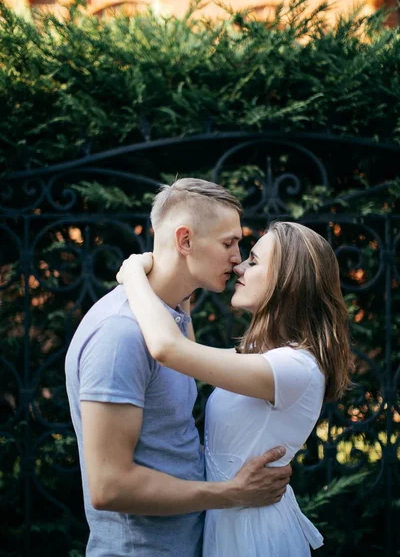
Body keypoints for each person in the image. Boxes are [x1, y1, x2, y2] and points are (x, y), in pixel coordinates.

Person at [65, 178, 292, 557]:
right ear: (185, 241)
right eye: (228, 243)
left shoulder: (171, 317)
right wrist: (231, 494)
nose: (237, 257)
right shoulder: (120, 334)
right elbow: (109, 487)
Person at [116, 220, 353, 557]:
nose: (239, 266)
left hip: (255, 534)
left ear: (288, 281)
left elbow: (169, 349)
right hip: (232, 521)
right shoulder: (265, 358)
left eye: (254, 262)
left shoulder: (293, 368)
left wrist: (134, 274)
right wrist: (182, 274)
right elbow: (188, 353)